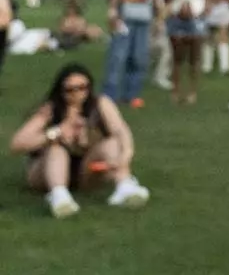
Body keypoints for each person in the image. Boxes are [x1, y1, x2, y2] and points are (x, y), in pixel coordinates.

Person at [9, 63, 151, 217]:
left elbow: (120, 130)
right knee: (56, 147)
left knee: (111, 144)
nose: (77, 94)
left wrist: (125, 157)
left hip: (86, 169)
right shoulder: (51, 109)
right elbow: (17, 143)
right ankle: (59, 196)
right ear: (61, 91)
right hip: (46, 170)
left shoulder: (100, 104)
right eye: (70, 90)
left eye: (83, 88)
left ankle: (124, 186)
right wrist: (56, 133)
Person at [102, 0, 159, 107]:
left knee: (139, 56)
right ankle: (110, 94)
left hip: (144, 16)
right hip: (126, 14)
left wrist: (158, 16)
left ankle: (132, 93)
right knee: (118, 55)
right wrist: (113, 10)